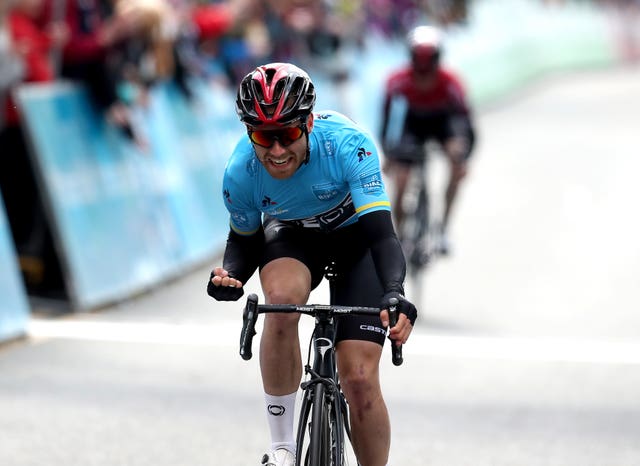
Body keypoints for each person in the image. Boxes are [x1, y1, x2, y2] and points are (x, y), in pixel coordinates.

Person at [207, 62, 418, 466]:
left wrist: (394, 291)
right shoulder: (240, 171)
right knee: (282, 303)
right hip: (293, 237)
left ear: (307, 124)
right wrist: (230, 275)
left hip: (357, 239)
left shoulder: (348, 145)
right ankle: (284, 447)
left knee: (358, 378)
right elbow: (244, 242)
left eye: (286, 134)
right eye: (263, 137)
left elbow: (382, 236)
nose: (277, 151)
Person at [379, 24, 476, 258]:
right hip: (413, 124)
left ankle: (443, 227)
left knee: (456, 163)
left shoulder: (451, 81)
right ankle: (400, 236)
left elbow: (464, 122)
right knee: (400, 181)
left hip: (443, 123)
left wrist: (463, 158)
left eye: (428, 63)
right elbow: (387, 120)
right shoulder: (397, 80)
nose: (424, 72)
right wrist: (389, 154)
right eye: (418, 62)